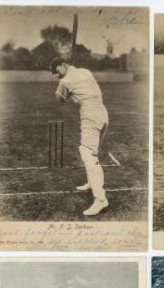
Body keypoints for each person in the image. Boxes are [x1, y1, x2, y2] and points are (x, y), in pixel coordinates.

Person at [49, 57, 109, 216]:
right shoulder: (86, 71)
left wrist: (62, 86)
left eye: (57, 71)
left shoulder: (65, 81)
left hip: (90, 114)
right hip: (102, 113)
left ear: (63, 65)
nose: (56, 75)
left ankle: (101, 200)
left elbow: (59, 100)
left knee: (87, 153)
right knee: (92, 153)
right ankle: (91, 182)